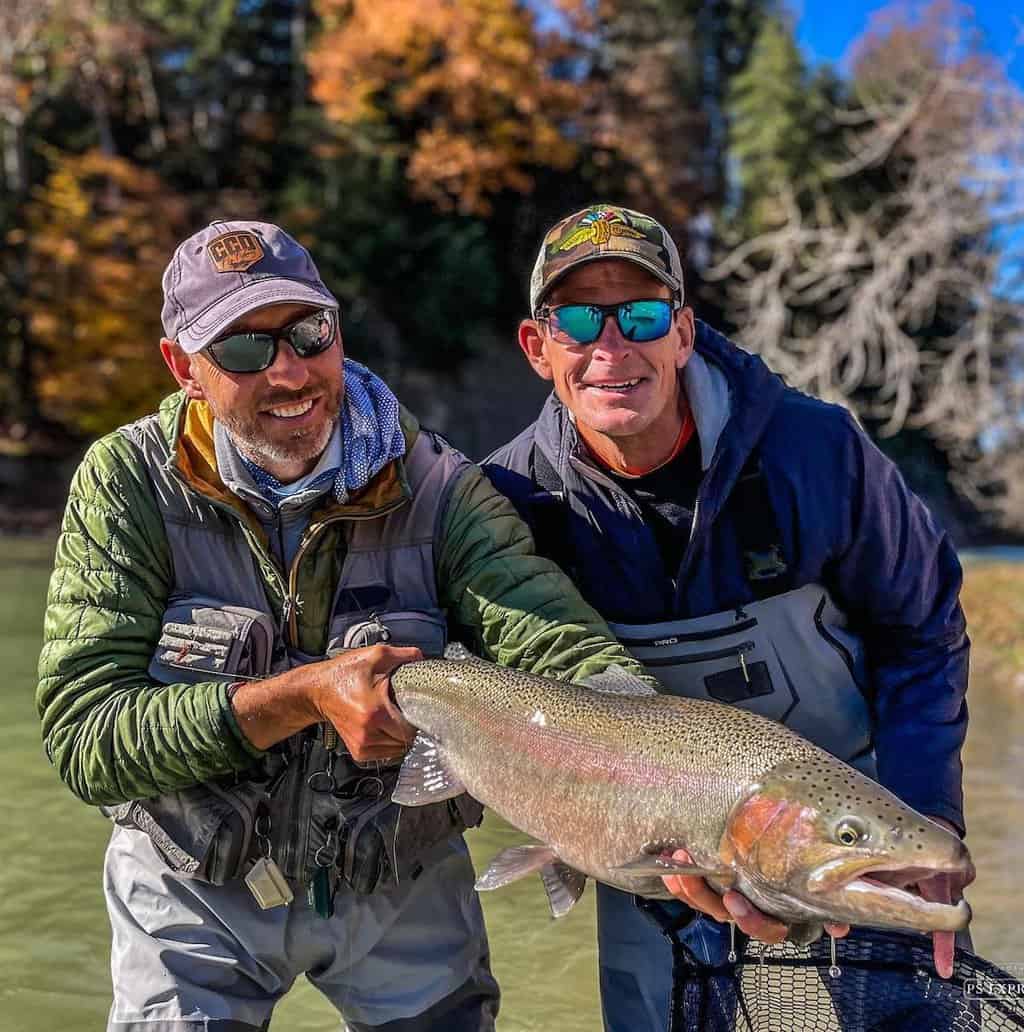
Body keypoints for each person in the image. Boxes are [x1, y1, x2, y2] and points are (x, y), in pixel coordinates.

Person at [36, 220, 653, 1032]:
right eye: (244, 349)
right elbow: (86, 736)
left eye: (308, 332)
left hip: (397, 880)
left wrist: (662, 786)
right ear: (184, 367)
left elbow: (556, 646)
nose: (289, 369)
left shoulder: (441, 486)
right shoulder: (127, 482)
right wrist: (298, 697)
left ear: (337, 329)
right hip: (194, 888)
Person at [484, 204, 973, 1031]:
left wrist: (928, 815)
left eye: (639, 316)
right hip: (649, 860)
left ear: (681, 332)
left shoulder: (816, 453)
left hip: (850, 818)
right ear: (538, 348)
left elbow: (922, 634)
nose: (611, 348)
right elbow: (506, 708)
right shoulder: (506, 504)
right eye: (575, 319)